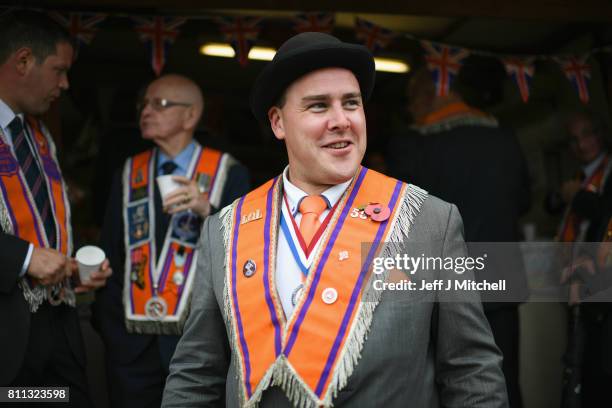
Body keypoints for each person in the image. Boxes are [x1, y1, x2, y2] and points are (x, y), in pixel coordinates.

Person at [162, 32, 507, 407]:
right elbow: (196, 374)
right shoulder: (225, 230)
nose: (341, 121)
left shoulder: (430, 221)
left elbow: (471, 370)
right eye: (318, 106)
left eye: (351, 103)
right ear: (278, 123)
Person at [91, 74, 250, 408]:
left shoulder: (227, 171)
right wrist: (112, 328)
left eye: (159, 104)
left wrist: (208, 209)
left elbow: (246, 250)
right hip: (131, 346)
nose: (146, 111)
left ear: (190, 116)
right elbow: (111, 248)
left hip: (198, 343)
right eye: (143, 104)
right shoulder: (129, 170)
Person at [386, 66, 531, 408]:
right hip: (500, 274)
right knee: (504, 376)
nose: (411, 110)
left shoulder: (412, 144)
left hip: (440, 276)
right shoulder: (504, 138)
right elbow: (523, 200)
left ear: (427, 94)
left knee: (443, 383)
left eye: (411, 100)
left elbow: (398, 217)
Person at [0, 10, 112, 405]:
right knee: (21, 399)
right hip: (9, 330)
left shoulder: (39, 133)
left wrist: (74, 265)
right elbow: (25, 247)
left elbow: (37, 214)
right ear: (24, 61)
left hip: (57, 322)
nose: (65, 85)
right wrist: (26, 257)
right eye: (59, 70)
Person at [555, 111, 612, 407]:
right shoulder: (580, 177)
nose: (581, 144)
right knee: (578, 365)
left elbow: (603, 213)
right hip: (581, 284)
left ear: (600, 133)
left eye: (586, 134)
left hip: (600, 286)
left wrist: (576, 197)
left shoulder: (606, 172)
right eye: (574, 140)